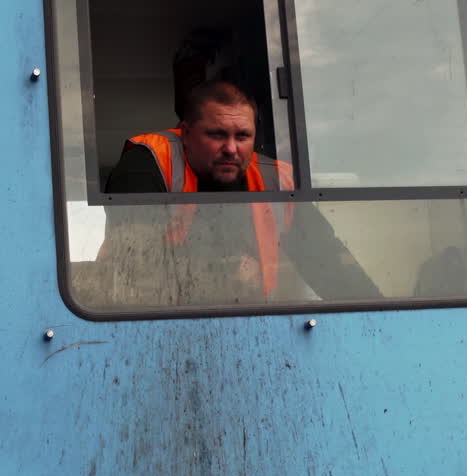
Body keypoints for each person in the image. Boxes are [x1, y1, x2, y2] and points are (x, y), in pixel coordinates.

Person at [101, 80, 380, 306]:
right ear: (186, 133)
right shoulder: (148, 165)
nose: (231, 149)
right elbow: (138, 266)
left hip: (249, 321)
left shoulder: (278, 180)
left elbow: (331, 264)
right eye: (217, 135)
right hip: (151, 322)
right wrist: (223, 276)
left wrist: (382, 316)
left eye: (243, 136)